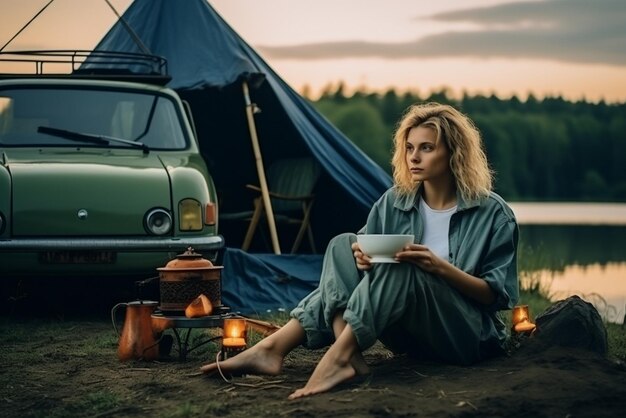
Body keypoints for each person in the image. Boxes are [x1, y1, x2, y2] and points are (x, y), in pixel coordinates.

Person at [201, 102, 519, 399]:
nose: (414, 157)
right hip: (408, 334)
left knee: (405, 262)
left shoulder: (492, 213)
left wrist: (437, 266)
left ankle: (321, 353)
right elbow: (355, 256)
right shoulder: (394, 201)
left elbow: (496, 296)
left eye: (427, 148)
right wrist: (362, 258)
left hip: (464, 336)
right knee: (343, 243)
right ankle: (327, 351)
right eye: (409, 148)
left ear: (454, 153)